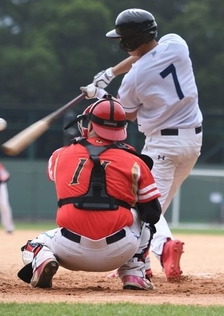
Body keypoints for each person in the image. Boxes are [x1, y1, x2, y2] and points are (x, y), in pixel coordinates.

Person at [81, 8, 202, 282]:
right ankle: (143, 259)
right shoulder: (176, 43)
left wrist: (101, 94)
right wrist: (111, 72)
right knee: (156, 207)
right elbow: (144, 56)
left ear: (128, 41)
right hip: (193, 142)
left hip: (161, 146)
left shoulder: (134, 80)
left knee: (142, 206)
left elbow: (126, 114)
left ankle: (161, 249)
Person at [16, 96, 162, 290]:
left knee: (35, 244)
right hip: (119, 251)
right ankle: (134, 274)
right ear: (122, 128)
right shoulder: (136, 161)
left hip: (69, 249)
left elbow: (54, 175)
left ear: (88, 124)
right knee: (142, 218)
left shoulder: (59, 156)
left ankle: (43, 259)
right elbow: (153, 214)